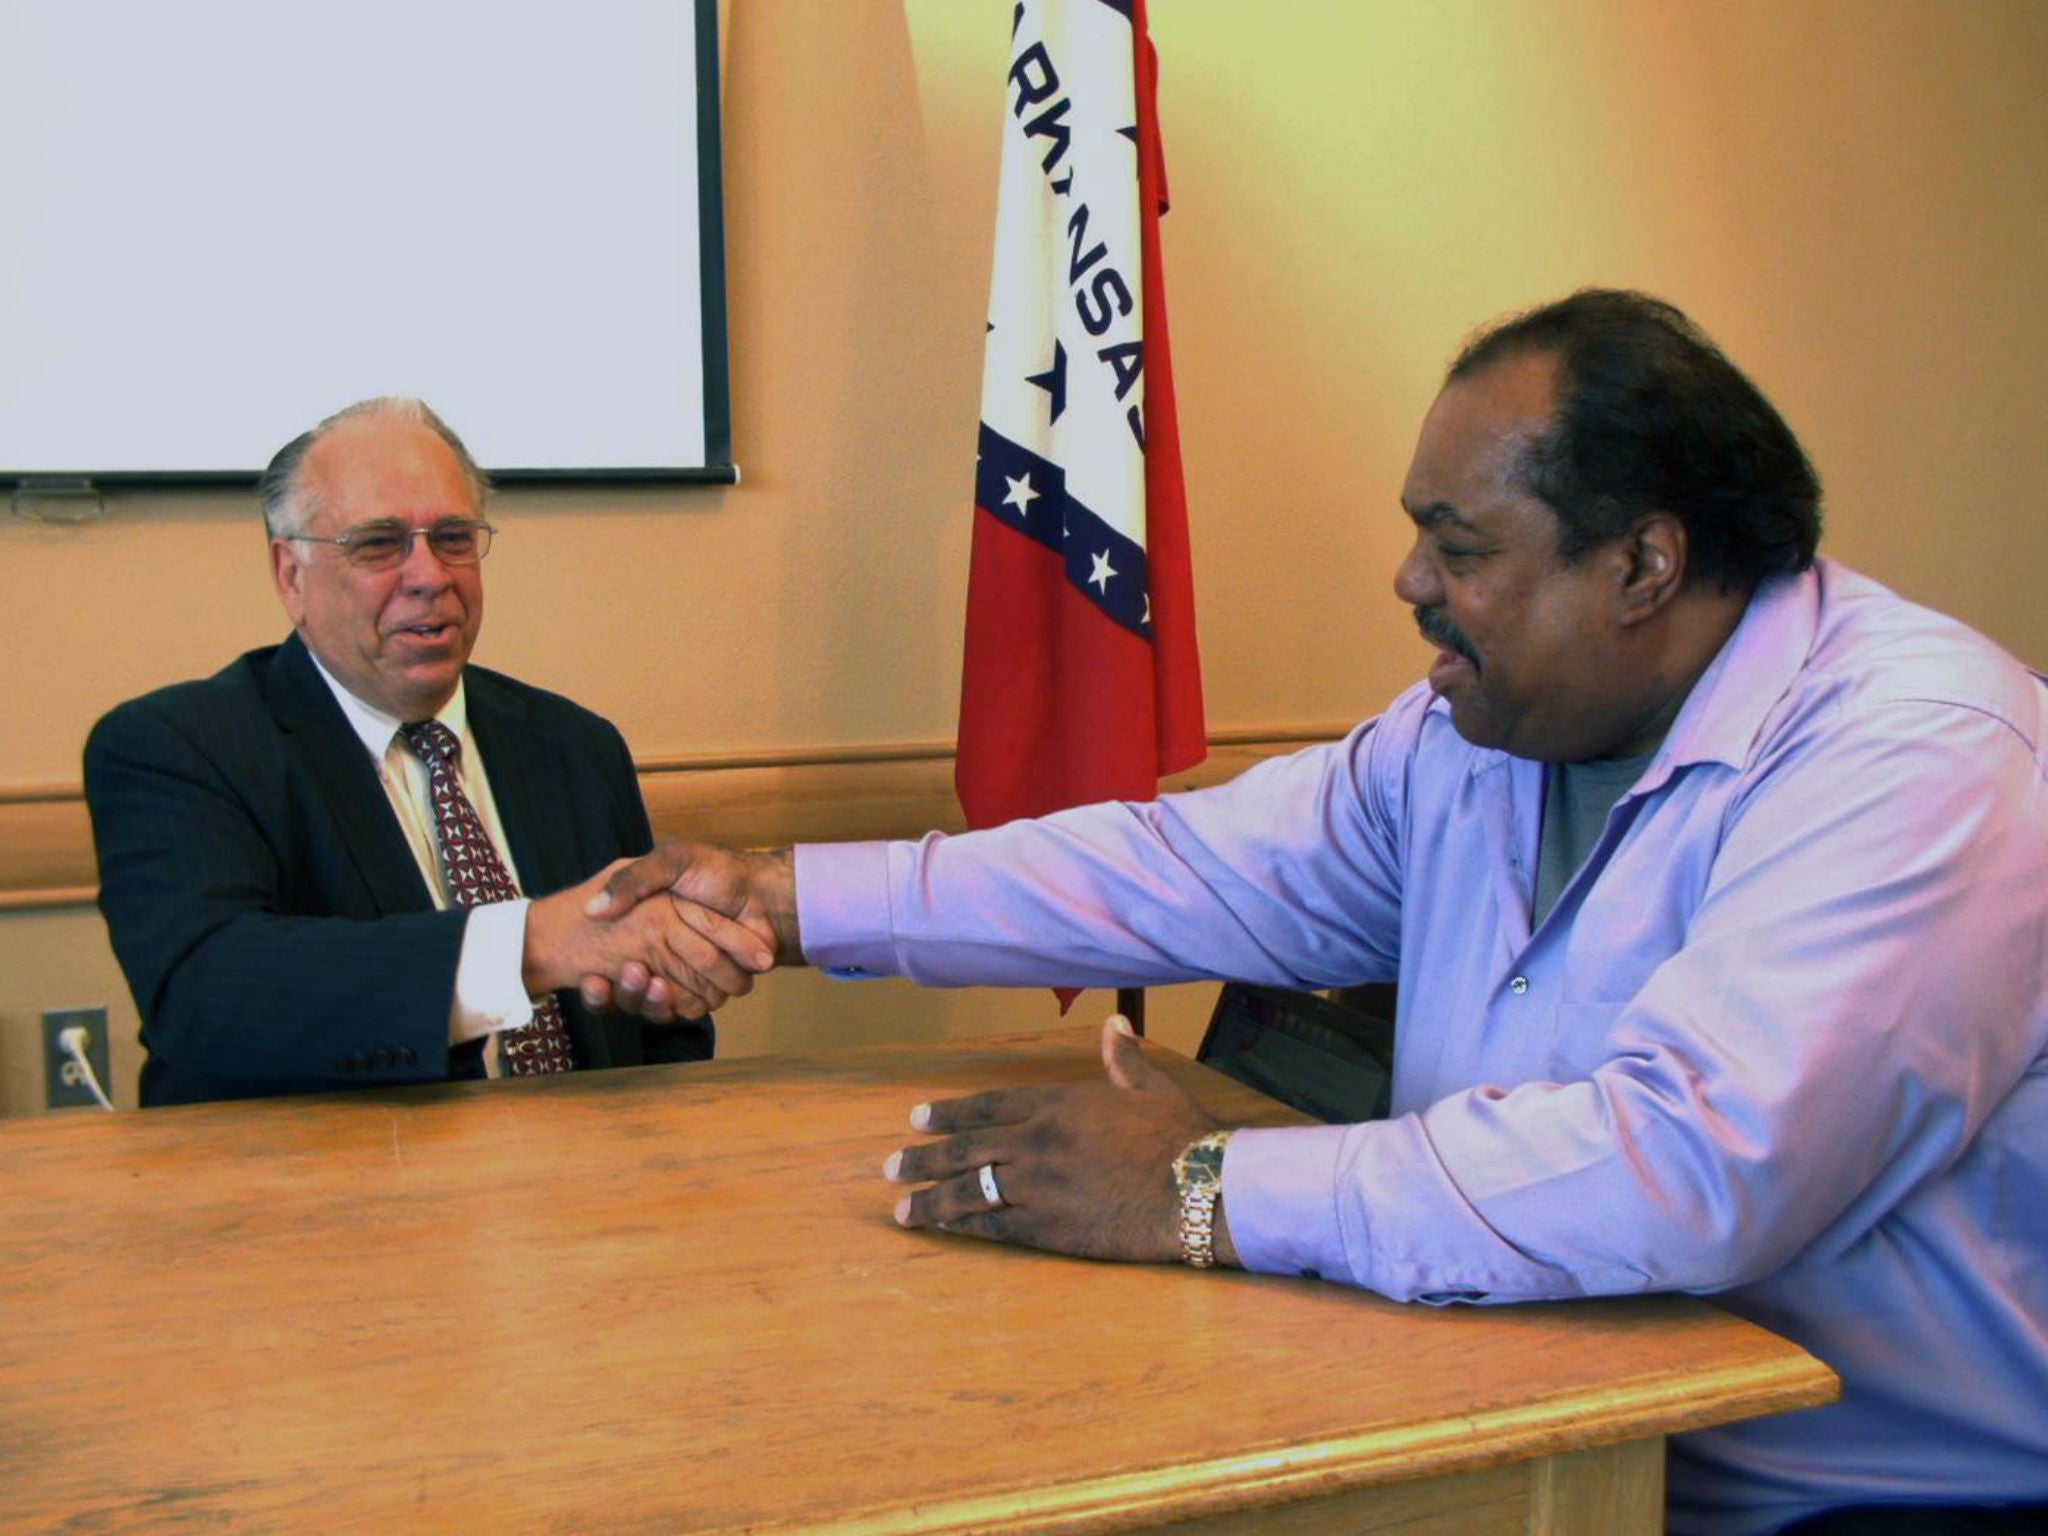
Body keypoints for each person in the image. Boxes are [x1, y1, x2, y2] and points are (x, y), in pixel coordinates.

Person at [589, 293, 2048, 1536]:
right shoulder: (1478, 737)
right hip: (1510, 1429)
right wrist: (791, 900)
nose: (1410, 583)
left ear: (1643, 566)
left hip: (1854, 1499)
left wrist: (1201, 1188)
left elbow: (1696, 1165)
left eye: (1460, 546)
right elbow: (1179, 868)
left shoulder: (1918, 755)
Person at [85, 397, 761, 1107]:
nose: (428, 574)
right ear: (292, 576)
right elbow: (208, 997)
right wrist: (531, 945)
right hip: (336, 1196)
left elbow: (662, 1042)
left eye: (453, 537)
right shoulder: (179, 746)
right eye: (378, 544)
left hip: (592, 1183)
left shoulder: (576, 745)